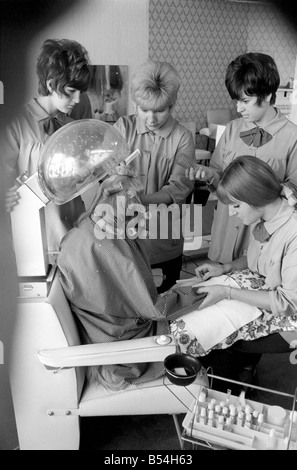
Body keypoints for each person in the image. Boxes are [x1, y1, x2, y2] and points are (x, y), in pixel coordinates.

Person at [56, 167, 206, 390]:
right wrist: (200, 293)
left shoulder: (82, 231)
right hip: (123, 350)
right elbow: (154, 308)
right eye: (135, 203)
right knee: (208, 318)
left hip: (104, 334)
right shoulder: (109, 246)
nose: (141, 212)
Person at [173, 155, 297, 389]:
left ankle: (225, 387)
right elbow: (256, 260)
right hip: (268, 289)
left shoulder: (293, 233)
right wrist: (225, 268)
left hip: (290, 314)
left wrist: (227, 292)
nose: (232, 213)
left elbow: (288, 303)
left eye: (236, 206)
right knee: (193, 297)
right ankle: (228, 374)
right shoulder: (267, 217)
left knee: (209, 331)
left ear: (255, 199)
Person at [186, 52, 297, 264]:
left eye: (245, 101)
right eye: (236, 101)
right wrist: (211, 175)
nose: (238, 108)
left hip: (265, 239)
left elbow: (292, 200)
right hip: (227, 227)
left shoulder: (293, 138)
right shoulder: (231, 129)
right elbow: (221, 179)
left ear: (266, 95)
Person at [113, 60, 195, 293]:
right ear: (135, 104)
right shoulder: (122, 128)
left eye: (160, 110)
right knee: (129, 294)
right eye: (144, 109)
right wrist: (116, 176)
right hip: (126, 231)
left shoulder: (183, 138)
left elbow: (180, 185)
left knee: (164, 296)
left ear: (172, 105)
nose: (151, 118)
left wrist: (141, 199)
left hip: (164, 234)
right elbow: (106, 173)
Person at [2, 38, 90, 225]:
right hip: (35, 229)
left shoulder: (71, 124)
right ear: (51, 84)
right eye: (71, 91)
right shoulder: (16, 123)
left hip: (74, 226)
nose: (77, 99)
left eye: (79, 92)